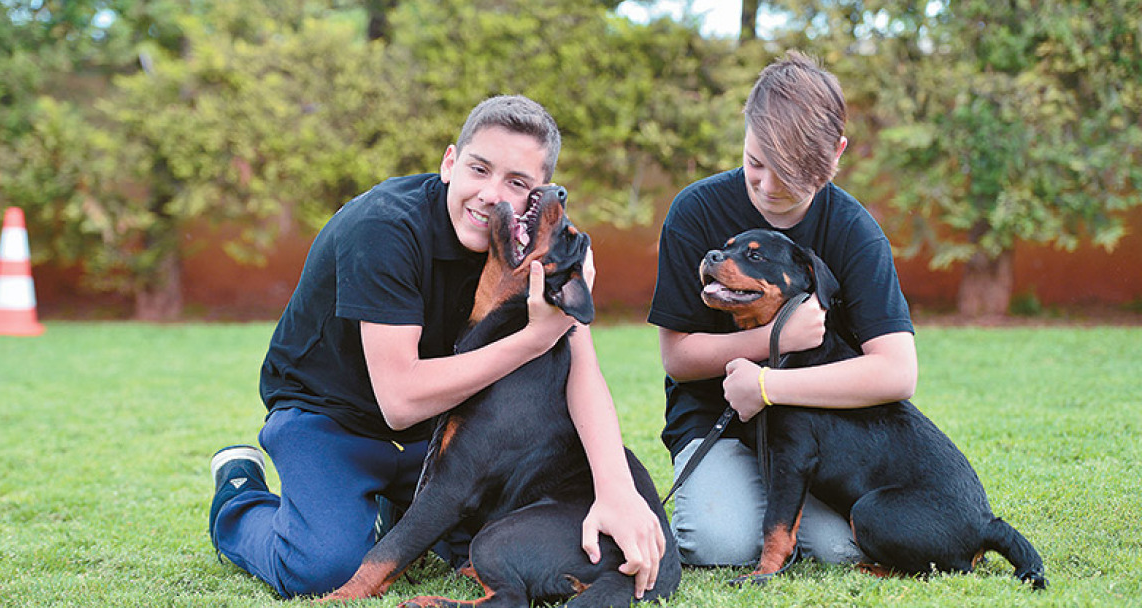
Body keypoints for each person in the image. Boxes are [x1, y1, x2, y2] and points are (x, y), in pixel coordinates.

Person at [209, 95, 664, 599]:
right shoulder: (383, 227)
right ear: (450, 162)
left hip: (434, 432)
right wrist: (535, 338)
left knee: (474, 538)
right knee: (320, 567)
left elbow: (582, 371)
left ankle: (381, 507)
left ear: (535, 199)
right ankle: (239, 492)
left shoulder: (514, 246)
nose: (491, 195)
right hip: (329, 417)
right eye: (479, 169)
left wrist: (617, 490)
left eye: (516, 183)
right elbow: (400, 402)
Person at [647, 51, 918, 567]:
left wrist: (770, 386)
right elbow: (678, 357)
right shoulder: (696, 211)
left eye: (791, 174)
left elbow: (898, 372)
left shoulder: (854, 231)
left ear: (836, 153)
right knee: (718, 543)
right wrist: (775, 341)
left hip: (816, 430)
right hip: (716, 421)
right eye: (755, 164)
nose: (768, 186)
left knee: (843, 549)